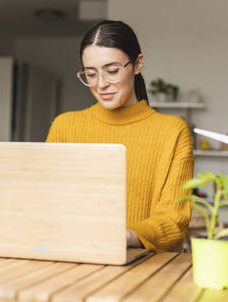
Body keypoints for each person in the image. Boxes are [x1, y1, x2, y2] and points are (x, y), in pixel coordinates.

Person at [46, 20, 194, 251]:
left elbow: (174, 218)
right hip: (73, 258)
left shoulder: (172, 131)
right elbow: (47, 203)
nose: (101, 84)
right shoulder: (64, 127)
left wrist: (126, 237)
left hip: (143, 269)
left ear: (137, 64)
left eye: (112, 71)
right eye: (91, 74)